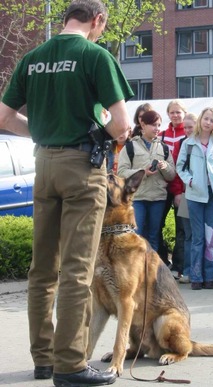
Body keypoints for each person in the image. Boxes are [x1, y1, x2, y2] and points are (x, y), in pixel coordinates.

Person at [0, 1, 134, 386]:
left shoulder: (33, 57)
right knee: (77, 270)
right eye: (101, 28)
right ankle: (70, 364)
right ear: (98, 20)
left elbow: (5, 117)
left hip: (44, 166)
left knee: (42, 269)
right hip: (82, 169)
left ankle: (43, 359)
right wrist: (102, 132)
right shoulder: (95, 55)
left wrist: (42, 132)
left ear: (65, 19)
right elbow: (122, 124)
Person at [176, 107, 213, 290]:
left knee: (210, 238)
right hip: (194, 195)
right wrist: (190, 180)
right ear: (201, 120)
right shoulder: (189, 143)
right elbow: (180, 167)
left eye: (212, 119)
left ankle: (209, 276)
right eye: (206, 118)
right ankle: (196, 276)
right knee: (197, 237)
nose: (208, 122)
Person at [118, 110, 176, 252]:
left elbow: (172, 175)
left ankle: (152, 272)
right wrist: (143, 172)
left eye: (159, 125)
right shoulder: (130, 147)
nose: (157, 128)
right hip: (137, 198)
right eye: (153, 125)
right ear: (143, 125)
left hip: (158, 198)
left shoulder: (164, 147)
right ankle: (136, 271)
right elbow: (121, 173)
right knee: (136, 237)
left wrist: (165, 167)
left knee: (154, 236)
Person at [159, 99, 187, 276]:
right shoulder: (162, 135)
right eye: (172, 112)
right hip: (163, 188)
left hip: (182, 189)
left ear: (184, 113)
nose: (175, 115)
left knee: (182, 227)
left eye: (178, 112)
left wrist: (179, 191)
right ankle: (163, 262)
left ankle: (179, 266)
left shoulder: (190, 132)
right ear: (168, 114)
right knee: (157, 225)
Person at [173, 113, 198, 284]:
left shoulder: (208, 141)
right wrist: (177, 194)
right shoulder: (182, 144)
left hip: (204, 196)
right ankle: (188, 271)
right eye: (186, 127)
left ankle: (200, 270)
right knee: (188, 234)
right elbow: (177, 170)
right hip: (186, 194)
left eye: (191, 127)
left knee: (201, 235)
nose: (188, 130)